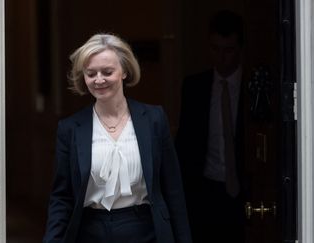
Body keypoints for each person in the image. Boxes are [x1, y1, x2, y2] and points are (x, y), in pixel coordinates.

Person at [43, 33, 192, 243]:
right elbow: (62, 198)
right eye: (91, 73)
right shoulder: (70, 129)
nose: (99, 80)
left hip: (145, 230)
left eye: (107, 71)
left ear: (124, 71)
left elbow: (173, 189)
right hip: (90, 231)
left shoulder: (153, 119)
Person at [175, 10, 245, 243]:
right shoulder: (195, 87)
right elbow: (184, 143)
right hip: (205, 191)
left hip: (246, 193)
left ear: (239, 49)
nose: (221, 57)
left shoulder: (255, 86)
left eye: (228, 50)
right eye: (215, 49)